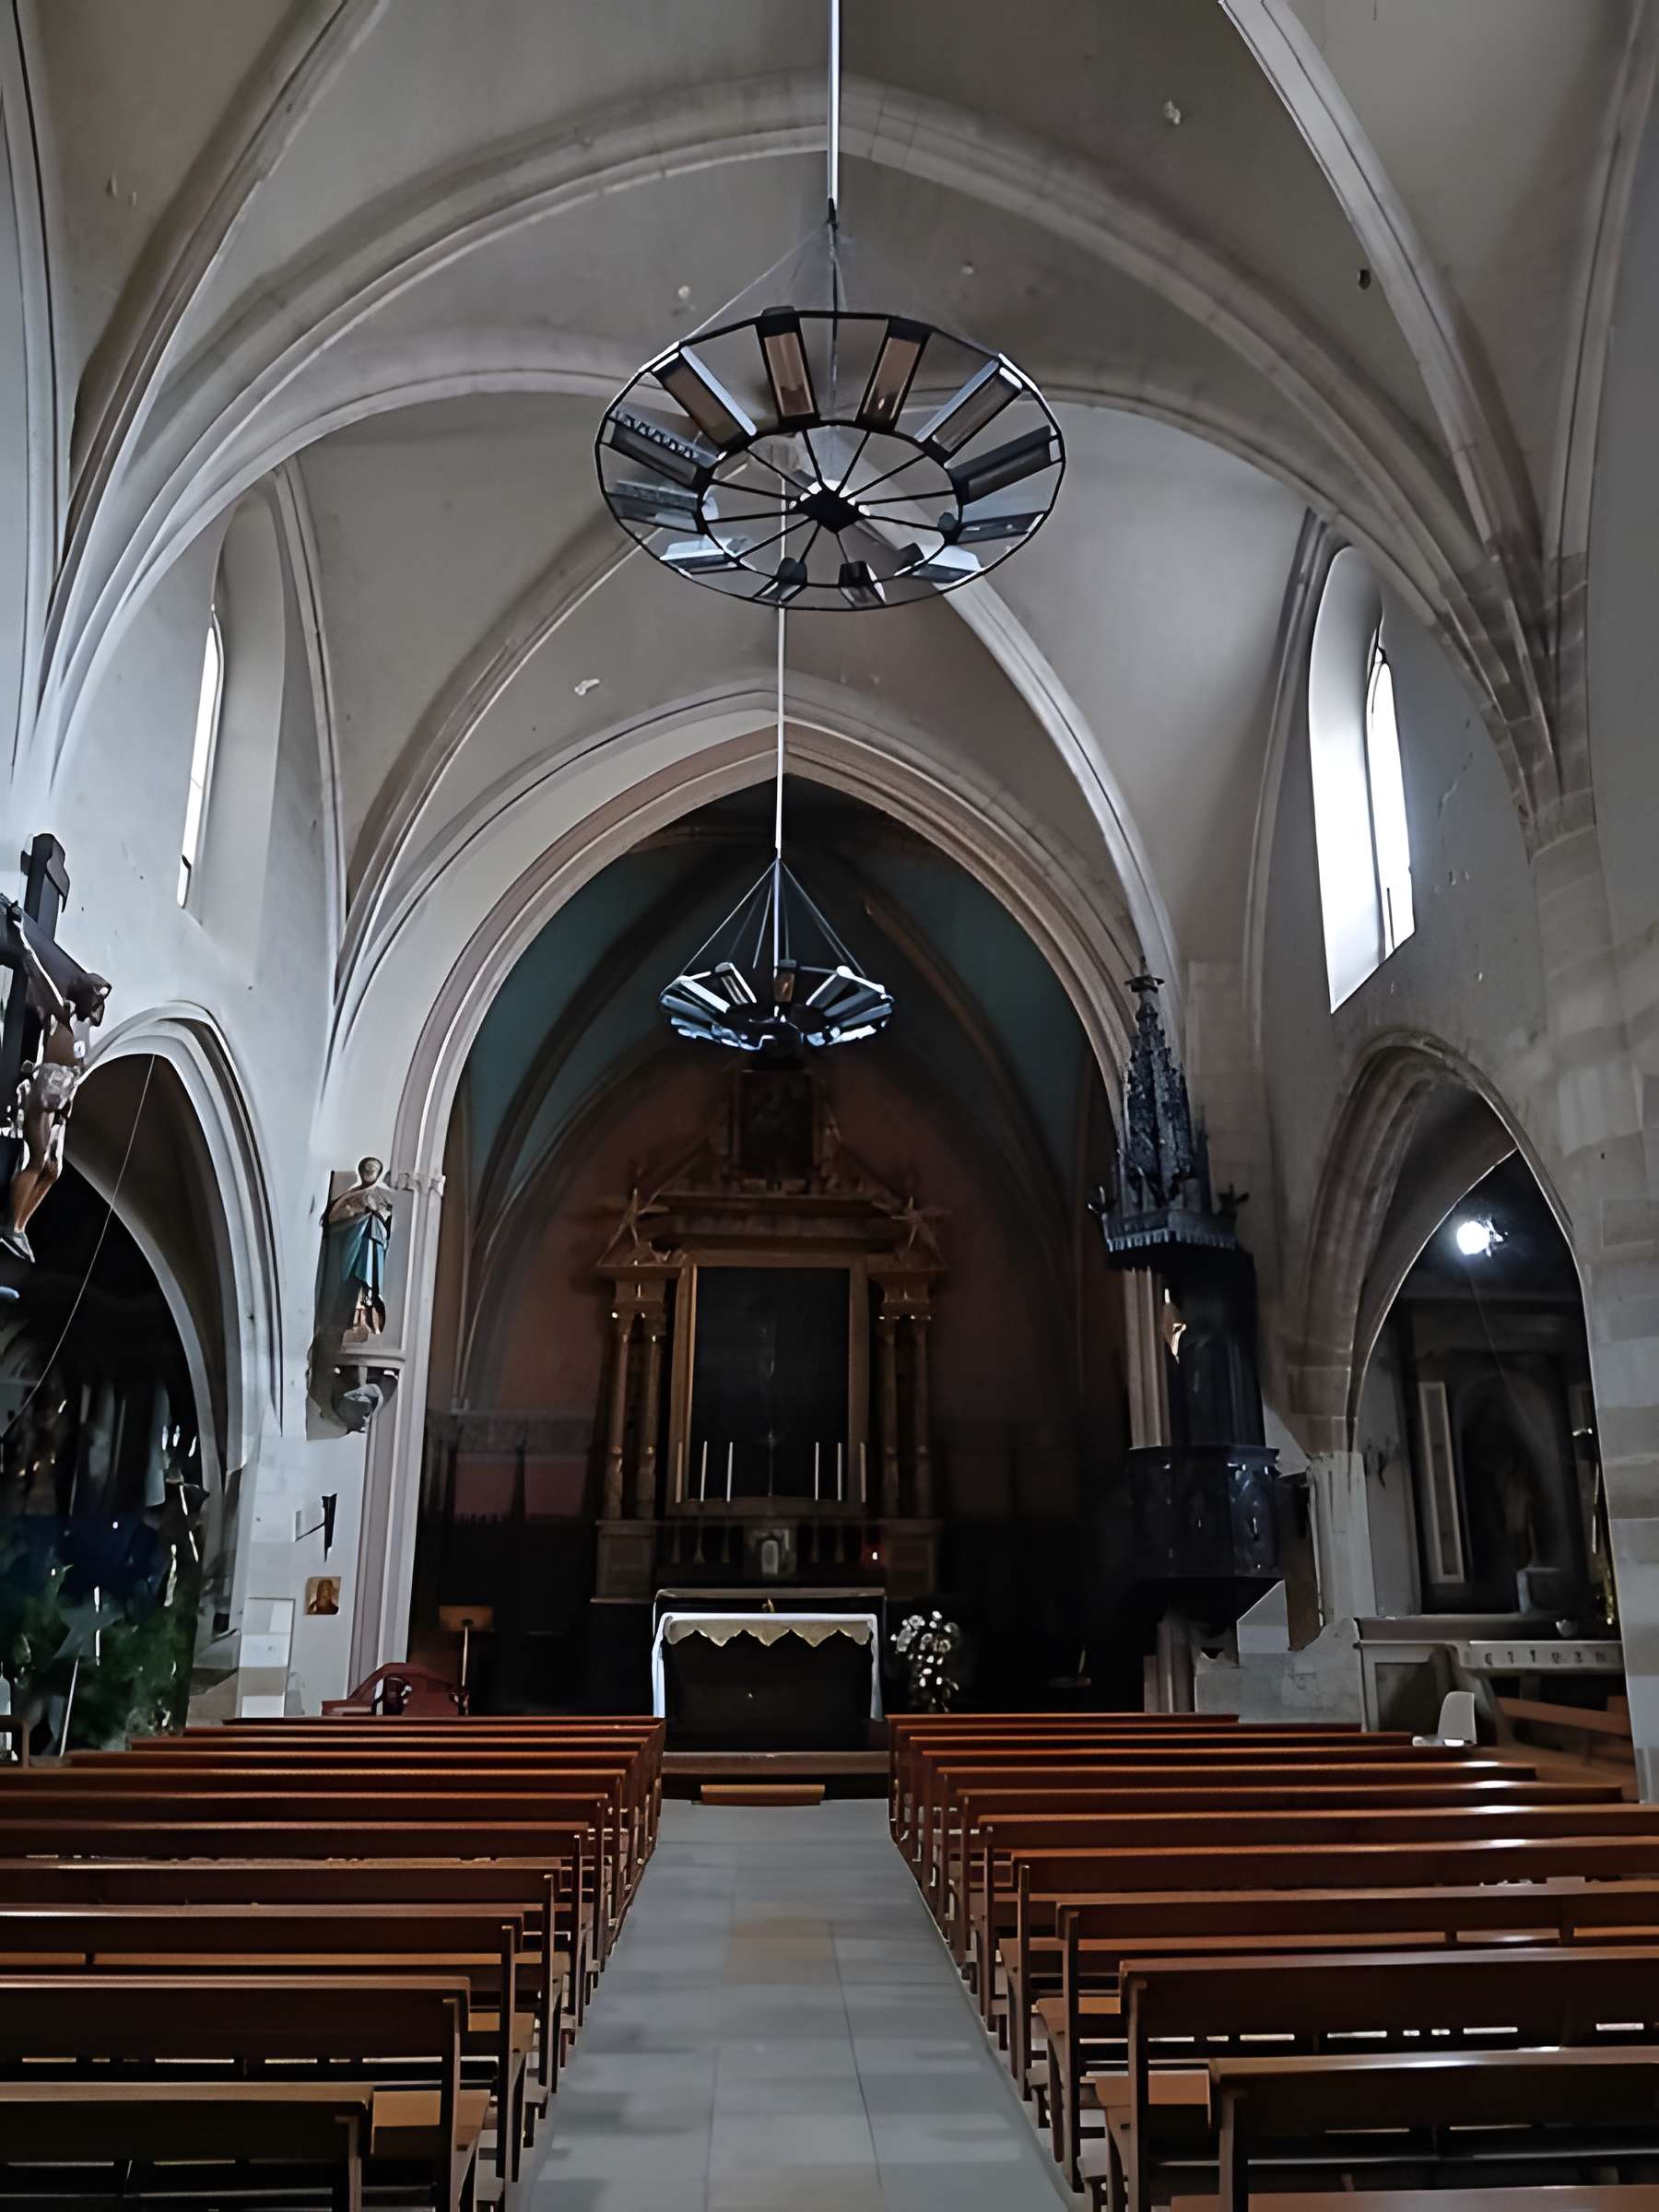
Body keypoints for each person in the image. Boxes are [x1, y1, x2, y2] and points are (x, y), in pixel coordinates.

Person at [0, 913, 111, 1263]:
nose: (97, 1003)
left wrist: (70, 1104)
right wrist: (19, 933)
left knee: (54, 1169)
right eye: (95, 995)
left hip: (63, 1096)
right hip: (46, 1088)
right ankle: (10, 1227)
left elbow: (77, 1072)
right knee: (36, 1157)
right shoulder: (60, 1013)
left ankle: (22, 1225)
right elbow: (37, 969)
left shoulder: (83, 1033)